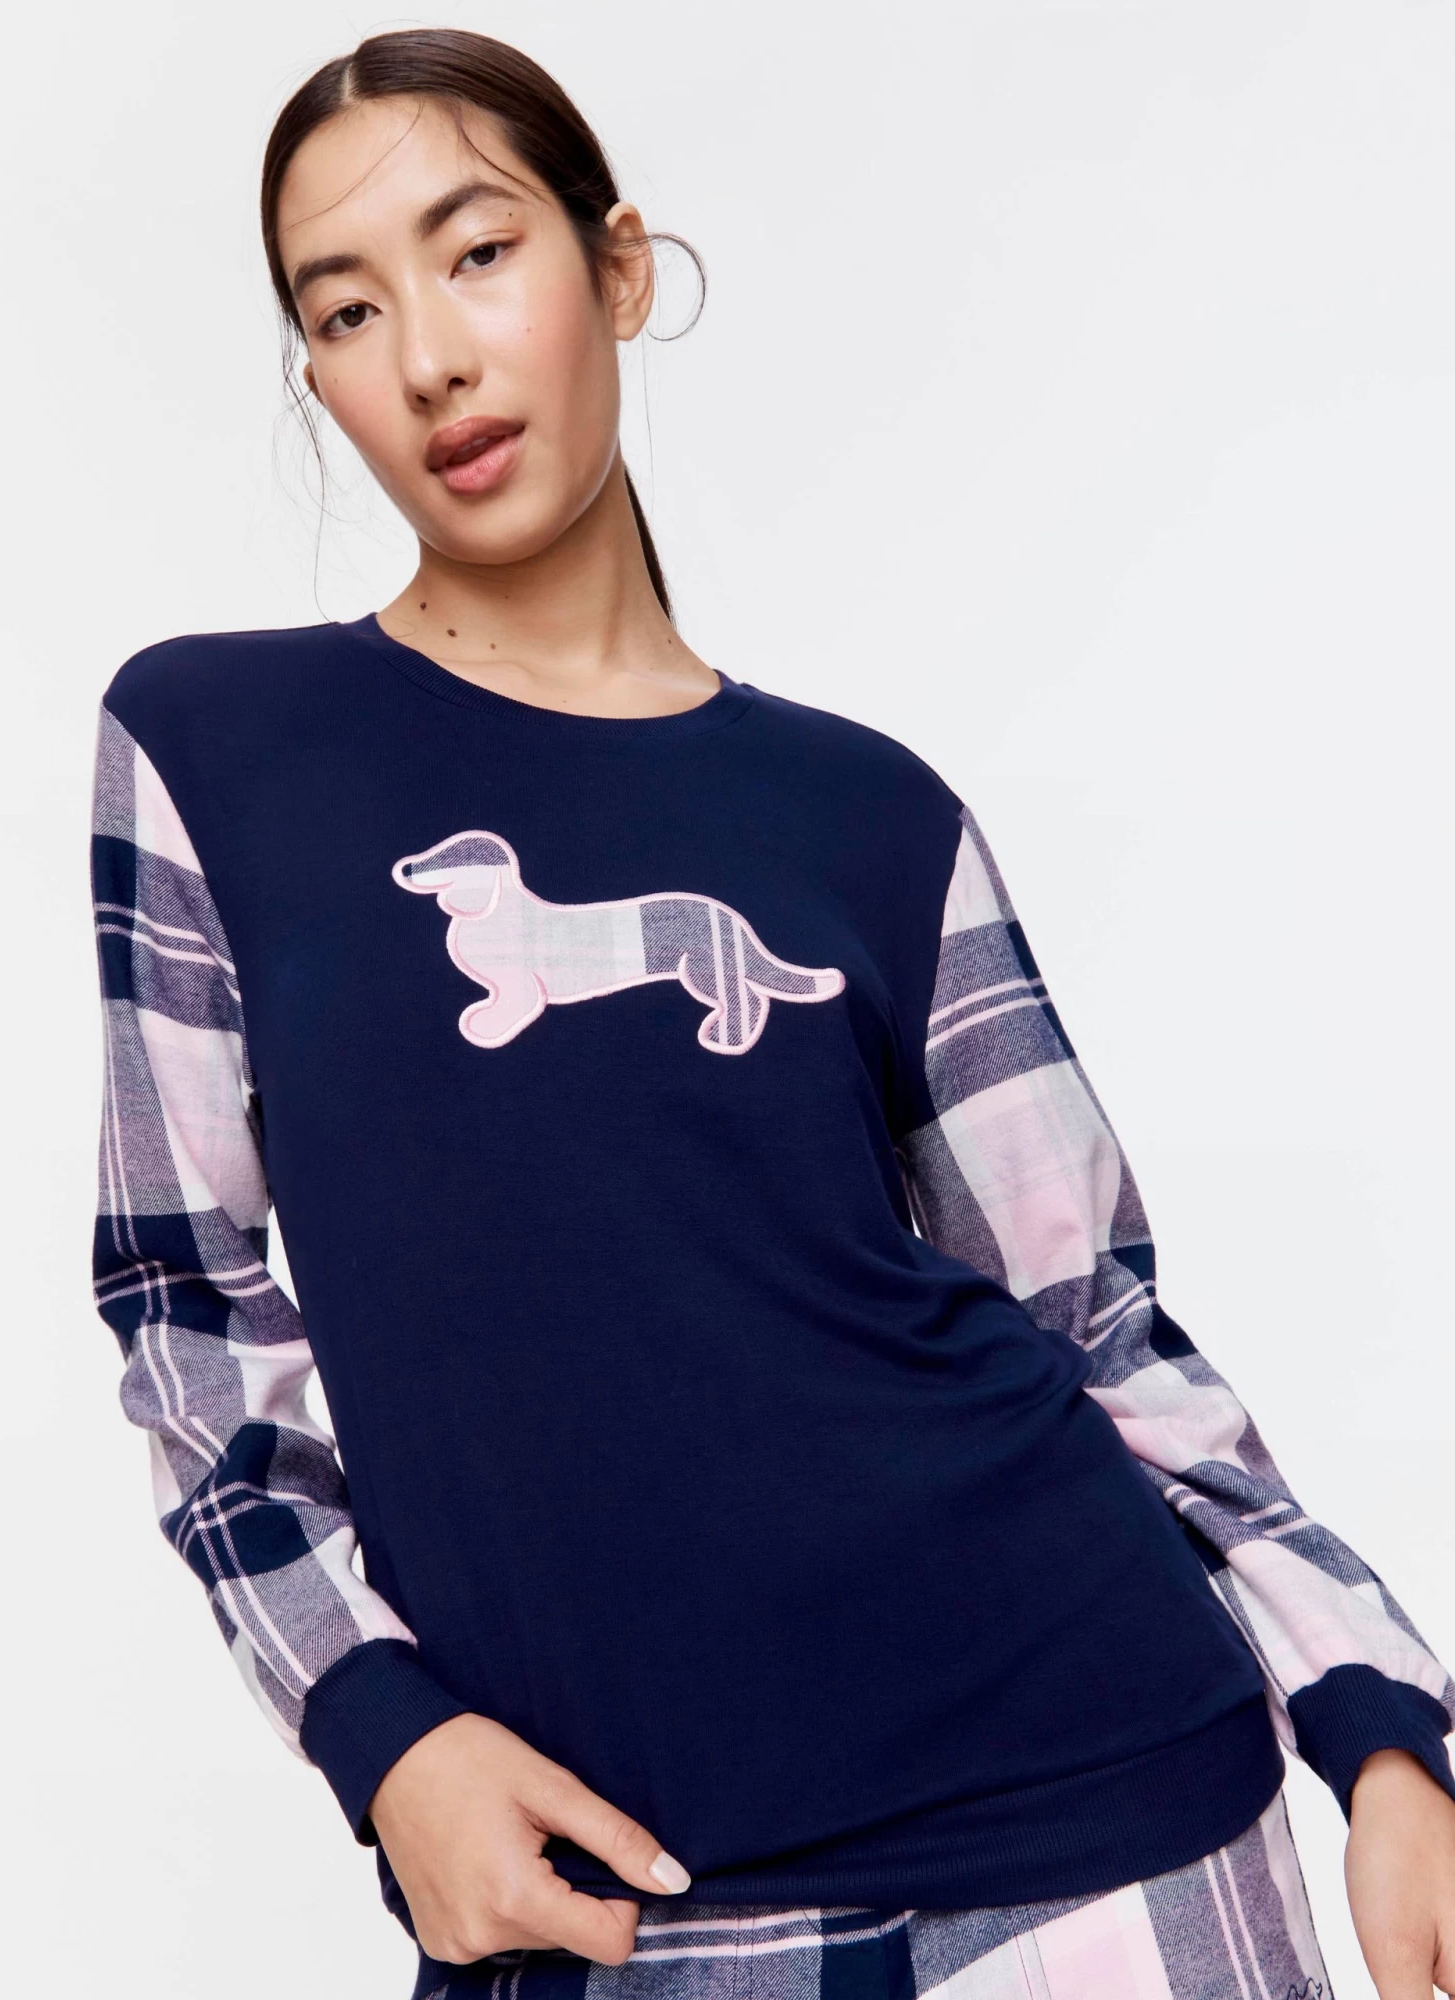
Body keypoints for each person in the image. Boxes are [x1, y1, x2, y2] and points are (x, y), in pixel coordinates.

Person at [87, 27, 1455, 2000]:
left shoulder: (871, 816)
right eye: (349, 307)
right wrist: (382, 1736)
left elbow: (1093, 1320)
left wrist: (1380, 1717)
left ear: (618, 269)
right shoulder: (212, 746)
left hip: (1098, 1835)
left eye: (480, 252)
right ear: (318, 375)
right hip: (604, 1903)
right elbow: (184, 1304)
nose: (433, 356)